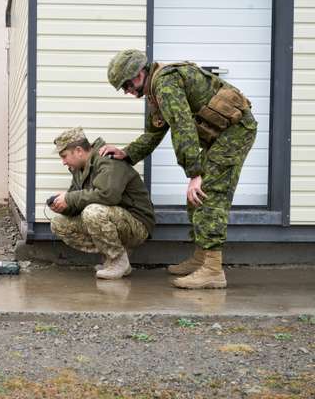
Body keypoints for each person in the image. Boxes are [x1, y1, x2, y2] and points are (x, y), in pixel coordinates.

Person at [103, 49, 257, 289]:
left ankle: (213, 270)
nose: (127, 91)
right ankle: (201, 258)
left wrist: (195, 173)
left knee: (209, 193)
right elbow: (154, 132)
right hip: (218, 135)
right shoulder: (156, 90)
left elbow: (182, 126)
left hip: (234, 133)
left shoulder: (165, 84)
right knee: (195, 198)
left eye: (126, 85)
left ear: (138, 74)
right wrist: (128, 153)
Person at [49, 127, 155, 280]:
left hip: (137, 223)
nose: (63, 162)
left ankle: (118, 260)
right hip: (113, 218)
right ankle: (113, 259)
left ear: (78, 150)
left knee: (92, 212)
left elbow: (107, 196)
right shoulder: (79, 170)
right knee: (58, 223)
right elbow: (78, 201)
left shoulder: (108, 161)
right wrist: (63, 205)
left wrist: (70, 198)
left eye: (64, 156)